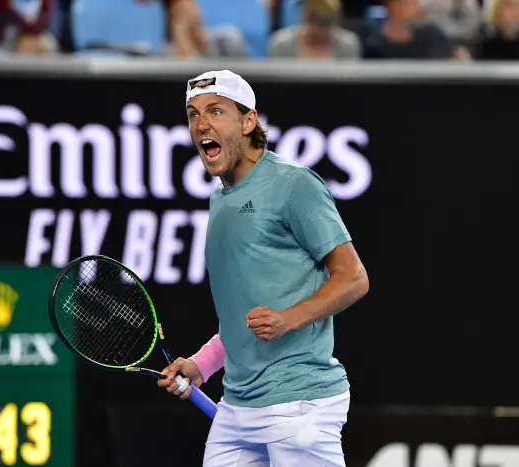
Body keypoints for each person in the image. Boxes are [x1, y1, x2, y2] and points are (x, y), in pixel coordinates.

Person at [156, 69, 370, 466]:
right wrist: (202, 364)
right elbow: (245, 316)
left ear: (248, 121)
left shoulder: (294, 185)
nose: (200, 124)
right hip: (237, 408)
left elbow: (353, 277)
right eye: (192, 113)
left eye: (215, 111)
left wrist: (288, 319)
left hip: (299, 405)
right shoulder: (220, 200)